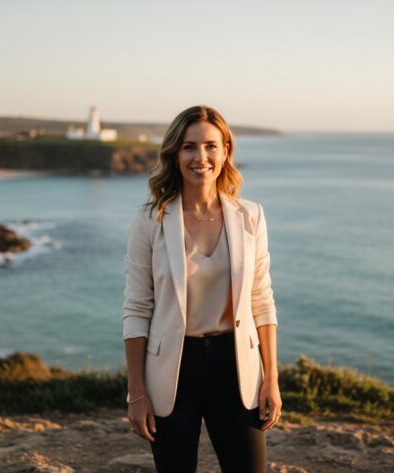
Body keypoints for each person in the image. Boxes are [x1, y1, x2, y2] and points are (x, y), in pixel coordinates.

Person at [122, 105, 281, 472]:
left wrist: (270, 378)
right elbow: (136, 308)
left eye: (210, 146)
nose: (201, 157)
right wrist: (137, 392)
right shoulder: (150, 221)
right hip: (173, 371)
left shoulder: (250, 216)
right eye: (189, 147)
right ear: (175, 154)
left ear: (226, 151)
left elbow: (262, 300)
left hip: (237, 366)